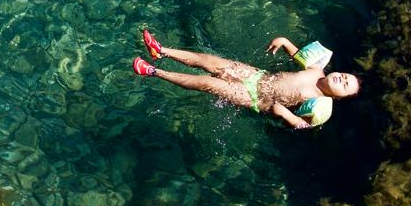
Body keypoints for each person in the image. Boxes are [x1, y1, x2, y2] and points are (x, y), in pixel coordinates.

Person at [132, 30, 359, 128]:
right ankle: (161, 51)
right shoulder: (316, 68)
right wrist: (285, 41)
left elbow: (304, 125)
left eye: (346, 86)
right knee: (209, 61)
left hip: (255, 97)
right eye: (345, 76)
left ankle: (153, 71)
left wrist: (286, 115)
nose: (342, 79)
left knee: (209, 83)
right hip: (256, 75)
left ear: (339, 98)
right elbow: (298, 54)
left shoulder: (321, 106)